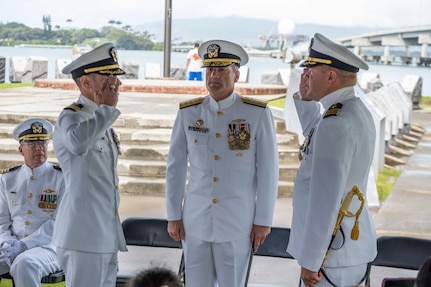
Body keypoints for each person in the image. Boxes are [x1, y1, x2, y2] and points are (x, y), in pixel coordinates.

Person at [166, 39, 279, 287]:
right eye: (210, 70)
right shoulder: (189, 112)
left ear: (237, 75)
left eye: (222, 70)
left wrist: (263, 220)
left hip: (238, 224)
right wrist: (173, 215)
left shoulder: (255, 113)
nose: (214, 76)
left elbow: (269, 171)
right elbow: (175, 166)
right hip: (196, 222)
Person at [286, 33, 377, 287]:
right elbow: (318, 141)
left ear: (330, 77)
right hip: (347, 248)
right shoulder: (353, 110)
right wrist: (306, 102)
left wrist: (312, 259)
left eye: (311, 71)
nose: (305, 76)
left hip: (332, 253)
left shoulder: (335, 122)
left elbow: (325, 199)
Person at [52, 42, 127, 287]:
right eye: (109, 77)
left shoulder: (100, 120)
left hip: (104, 235)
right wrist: (106, 109)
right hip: (83, 236)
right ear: (86, 83)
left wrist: (105, 113)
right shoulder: (72, 116)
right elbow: (78, 144)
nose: (116, 83)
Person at [0, 118, 64, 286]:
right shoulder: (7, 178)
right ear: (21, 149)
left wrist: (24, 245)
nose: (39, 148)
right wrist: (6, 242)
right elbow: (2, 219)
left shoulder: (61, 178)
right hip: (11, 244)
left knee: (25, 263)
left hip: (49, 247)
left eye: (43, 143)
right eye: (33, 143)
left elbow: (60, 223)